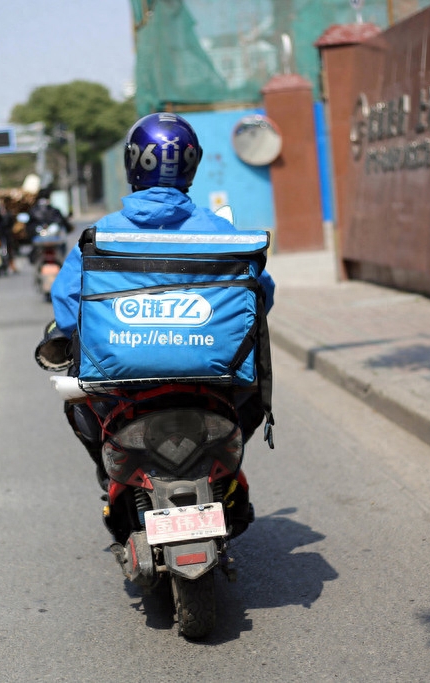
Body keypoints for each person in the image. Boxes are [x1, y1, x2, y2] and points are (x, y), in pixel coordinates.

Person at [47, 112, 276, 487]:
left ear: (133, 162)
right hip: (215, 380)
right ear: (191, 164)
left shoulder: (103, 233)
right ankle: (224, 470)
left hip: (123, 389)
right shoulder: (218, 228)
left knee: (78, 407)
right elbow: (261, 294)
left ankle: (110, 475)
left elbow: (69, 307)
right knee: (250, 394)